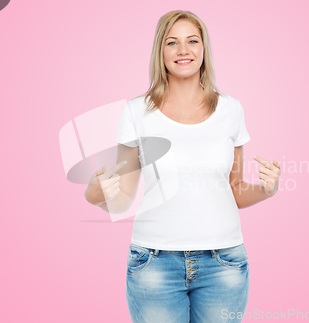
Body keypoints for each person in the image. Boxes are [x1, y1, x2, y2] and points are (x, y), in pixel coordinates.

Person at [84, 10, 281, 323]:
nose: (183, 50)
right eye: (172, 42)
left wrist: (268, 190)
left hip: (223, 262)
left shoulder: (231, 109)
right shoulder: (137, 112)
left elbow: (236, 191)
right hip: (154, 263)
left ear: (203, 48)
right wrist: (94, 194)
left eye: (192, 40)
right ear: (160, 52)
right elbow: (122, 196)